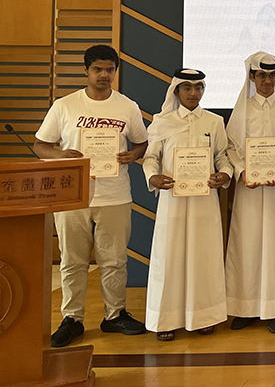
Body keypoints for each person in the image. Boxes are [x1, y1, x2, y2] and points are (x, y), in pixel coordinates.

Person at [34, 44, 148, 347]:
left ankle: (115, 315)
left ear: (115, 71)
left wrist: (133, 155)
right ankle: (72, 318)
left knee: (114, 261)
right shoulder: (65, 105)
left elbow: (141, 143)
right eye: (97, 69)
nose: (104, 75)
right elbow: (40, 145)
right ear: (86, 71)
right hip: (73, 196)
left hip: (115, 196)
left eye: (109, 69)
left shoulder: (127, 106)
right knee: (72, 261)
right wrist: (60, 156)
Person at [142, 69, 233, 341]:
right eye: (187, 88)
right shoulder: (162, 121)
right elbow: (150, 158)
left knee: (204, 256)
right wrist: (152, 177)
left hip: (205, 202)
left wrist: (225, 173)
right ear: (176, 91)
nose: (193, 93)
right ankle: (166, 319)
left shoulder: (214, 122)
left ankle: (204, 316)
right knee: (169, 257)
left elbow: (222, 156)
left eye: (198, 88)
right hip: (172, 200)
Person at [225, 52, 275, 334]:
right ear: (252, 77)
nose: (267, 81)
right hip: (248, 189)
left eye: (271, 75)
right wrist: (242, 171)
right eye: (261, 75)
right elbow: (231, 147)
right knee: (247, 244)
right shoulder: (242, 109)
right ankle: (246, 307)